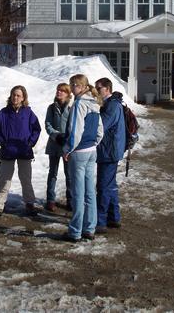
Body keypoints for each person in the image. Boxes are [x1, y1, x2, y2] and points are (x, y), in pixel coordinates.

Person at [62, 74, 103, 242]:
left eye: (73, 86)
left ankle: (75, 231)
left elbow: (75, 131)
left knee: (78, 192)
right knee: (90, 191)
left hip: (79, 153)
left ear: (79, 86)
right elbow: (100, 130)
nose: (71, 89)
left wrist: (68, 149)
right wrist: (94, 143)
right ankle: (90, 228)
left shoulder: (79, 104)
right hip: (91, 150)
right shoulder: (94, 103)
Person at [0, 85, 41, 217]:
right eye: (14, 94)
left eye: (18, 95)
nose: (15, 97)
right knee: (5, 179)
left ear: (23, 97)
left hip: (24, 150)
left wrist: (30, 143)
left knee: (26, 179)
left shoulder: (28, 113)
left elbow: (37, 129)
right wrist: (2, 142)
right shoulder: (3, 112)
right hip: (8, 151)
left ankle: (30, 203)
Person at [95, 78, 126, 234]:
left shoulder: (112, 105)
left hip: (109, 151)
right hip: (110, 150)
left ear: (107, 89)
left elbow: (102, 125)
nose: (96, 91)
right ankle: (114, 217)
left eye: (98, 88)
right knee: (110, 185)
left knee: (103, 186)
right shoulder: (112, 103)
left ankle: (100, 221)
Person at [45, 83, 72, 212]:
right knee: (52, 173)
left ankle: (71, 200)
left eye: (62, 91)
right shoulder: (51, 107)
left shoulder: (72, 107)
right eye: (58, 90)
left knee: (69, 174)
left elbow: (75, 125)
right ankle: (50, 199)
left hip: (67, 145)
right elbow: (48, 124)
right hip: (54, 144)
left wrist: (67, 138)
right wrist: (56, 135)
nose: (59, 92)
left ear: (67, 93)